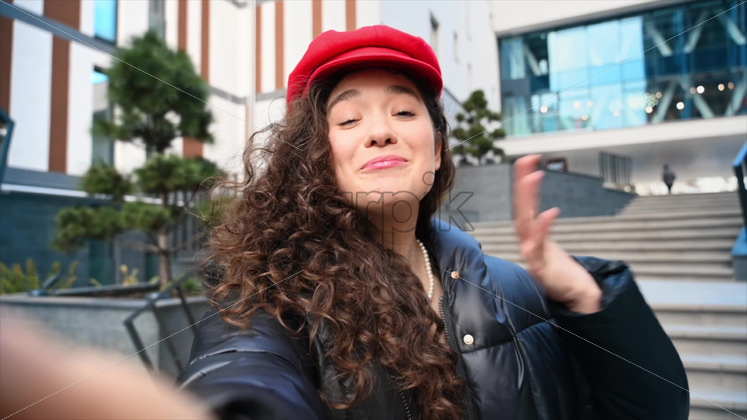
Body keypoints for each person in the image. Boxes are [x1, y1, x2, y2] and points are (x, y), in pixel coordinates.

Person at [178, 25, 689, 419]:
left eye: (404, 112)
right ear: (313, 156)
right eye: (349, 119)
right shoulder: (269, 295)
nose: (381, 132)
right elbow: (243, 373)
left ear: (438, 149)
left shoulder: (515, 291)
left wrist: (590, 304)